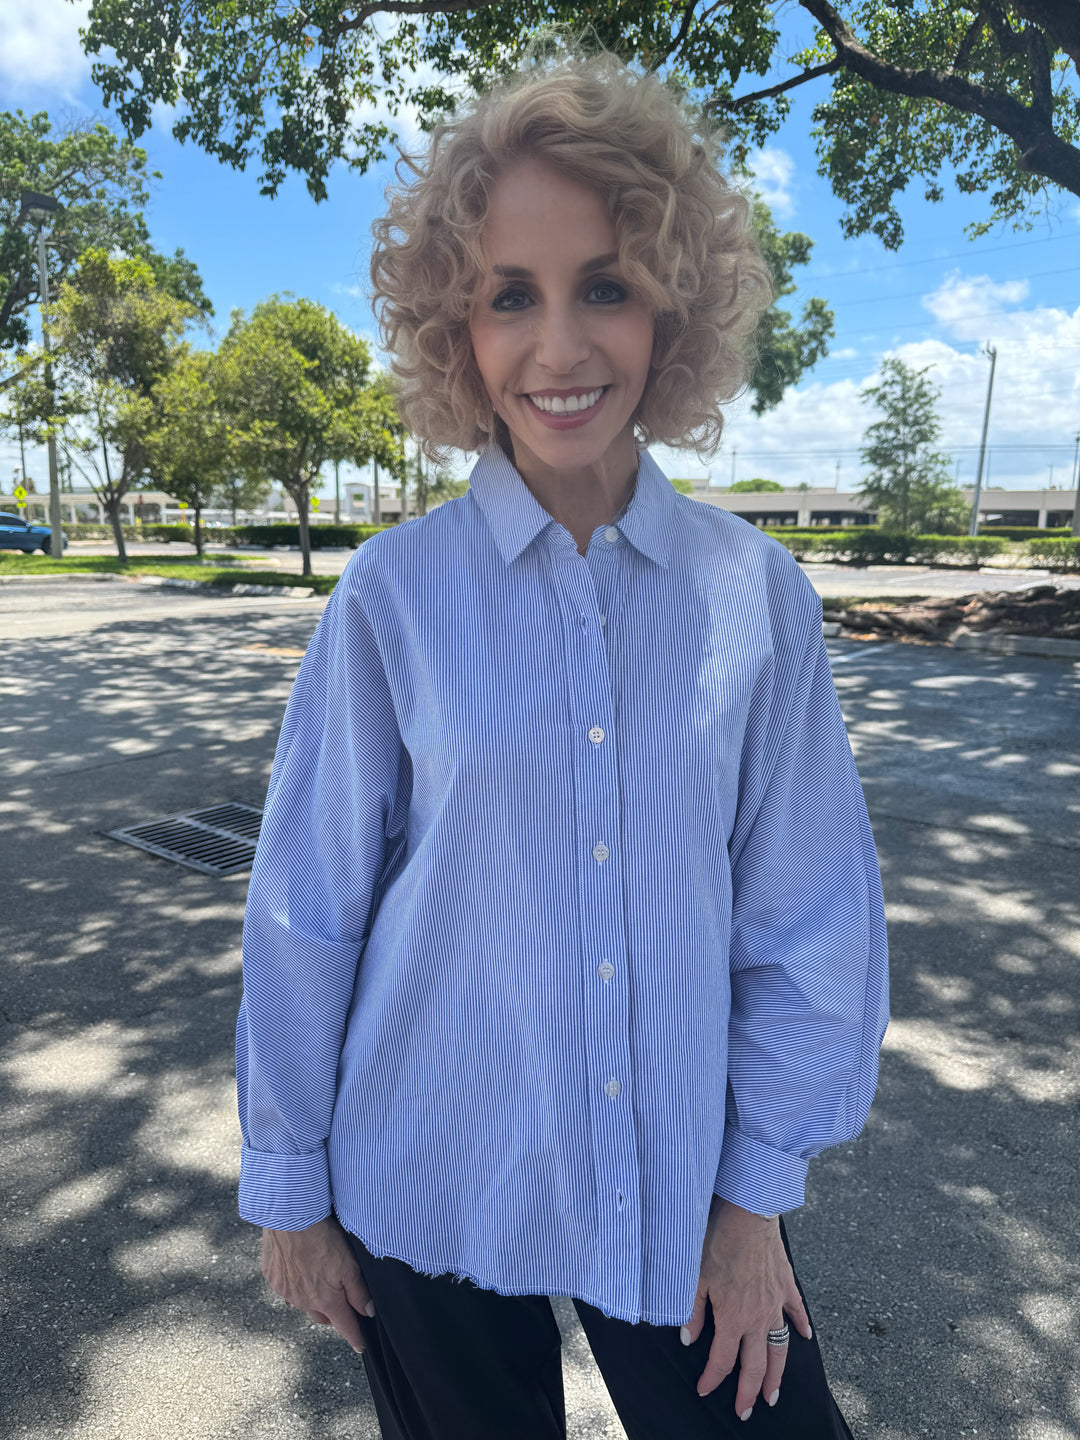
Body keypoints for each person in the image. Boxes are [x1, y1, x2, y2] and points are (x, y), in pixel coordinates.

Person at [235, 39, 889, 1440]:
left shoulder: (754, 597)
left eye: (605, 285)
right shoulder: (390, 599)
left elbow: (808, 916)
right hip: (425, 1173)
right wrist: (291, 1193)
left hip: (679, 1186)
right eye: (507, 297)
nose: (559, 345)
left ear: (673, 302)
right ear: (451, 331)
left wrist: (755, 1197)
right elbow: (308, 908)